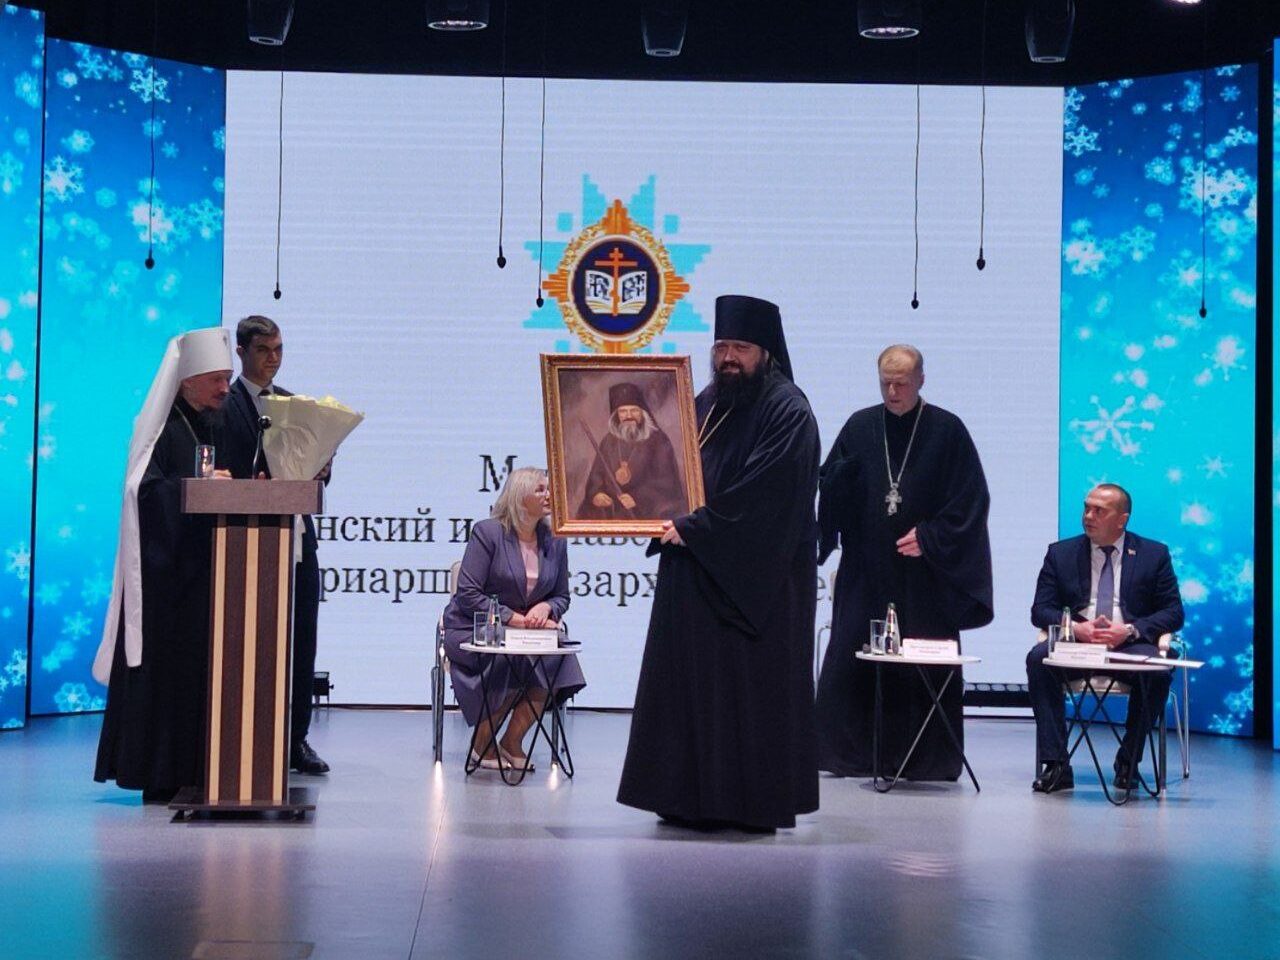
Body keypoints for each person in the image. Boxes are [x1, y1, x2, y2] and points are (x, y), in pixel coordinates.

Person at [617, 294, 820, 831]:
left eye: (741, 348)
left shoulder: (788, 411)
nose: (729, 357)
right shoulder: (707, 401)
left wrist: (695, 529)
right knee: (687, 689)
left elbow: (767, 496)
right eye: (722, 346)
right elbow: (665, 464)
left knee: (744, 698)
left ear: (766, 352)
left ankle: (745, 807)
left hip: (753, 587)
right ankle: (684, 798)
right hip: (695, 575)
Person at [815, 345, 993, 781]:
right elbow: (831, 482)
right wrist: (836, 484)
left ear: (921, 380)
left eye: (902, 384)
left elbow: (972, 500)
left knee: (921, 665)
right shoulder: (860, 425)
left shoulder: (947, 430)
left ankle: (925, 760)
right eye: (886, 384)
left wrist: (931, 537)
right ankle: (848, 756)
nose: (893, 392)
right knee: (852, 657)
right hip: (866, 567)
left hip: (924, 575)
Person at [93, 327, 234, 802]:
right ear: (188, 381)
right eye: (216, 380)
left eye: (227, 378)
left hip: (198, 575)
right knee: (164, 676)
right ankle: (157, 772)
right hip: (161, 581)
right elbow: (145, 492)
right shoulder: (159, 427)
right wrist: (195, 488)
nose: (225, 389)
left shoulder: (209, 424)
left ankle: (194, 769)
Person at [219, 314, 331, 775]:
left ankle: (295, 739)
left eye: (279, 349)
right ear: (242, 352)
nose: (273, 359)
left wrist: (321, 468)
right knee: (251, 643)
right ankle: (244, 736)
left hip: (297, 537)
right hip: (246, 540)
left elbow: (310, 470)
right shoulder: (224, 406)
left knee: (302, 639)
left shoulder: (291, 404)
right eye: (264, 350)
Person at [1026, 483, 1184, 793]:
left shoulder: (1154, 554)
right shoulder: (1060, 553)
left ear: (1122, 519)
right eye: (1086, 508)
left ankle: (1129, 761)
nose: (1088, 516)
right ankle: (1056, 764)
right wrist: (1078, 628)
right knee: (1038, 659)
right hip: (1077, 644)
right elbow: (1040, 610)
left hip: (1128, 644)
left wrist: (1129, 630)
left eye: (1099, 511)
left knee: (1158, 671)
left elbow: (1173, 612)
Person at [440, 467, 585, 770]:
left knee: (557, 659)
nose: (550, 495)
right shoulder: (488, 533)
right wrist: (515, 619)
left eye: (550, 489)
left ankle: (512, 741)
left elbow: (562, 596)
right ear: (520, 496)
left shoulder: (556, 540)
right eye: (541, 489)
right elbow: (468, 594)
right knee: (511, 660)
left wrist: (546, 609)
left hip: (526, 633)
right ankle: (481, 745)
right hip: (475, 627)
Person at [577, 382, 686, 520]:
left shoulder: (658, 440)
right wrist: (596, 494)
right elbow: (596, 476)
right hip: (612, 511)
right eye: (623, 411)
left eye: (634, 410)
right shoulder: (609, 441)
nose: (629, 416)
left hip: (646, 510)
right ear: (616, 415)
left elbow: (667, 483)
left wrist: (637, 498)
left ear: (642, 413)